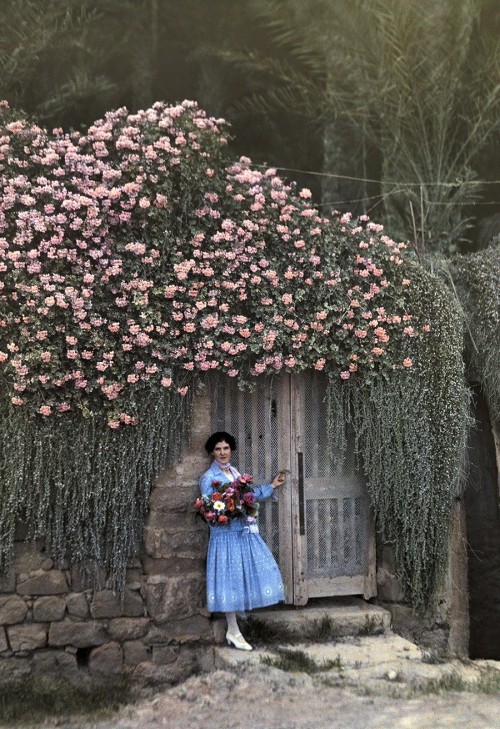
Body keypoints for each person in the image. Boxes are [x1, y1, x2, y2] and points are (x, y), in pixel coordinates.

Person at [199, 431, 286, 651]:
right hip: (225, 536)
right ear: (212, 452)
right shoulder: (209, 478)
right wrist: (231, 511)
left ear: (231, 450)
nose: (222, 453)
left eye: (226, 448)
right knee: (230, 579)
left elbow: (248, 496)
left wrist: (271, 486)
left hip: (242, 533)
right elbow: (211, 509)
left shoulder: (234, 473)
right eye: (218, 449)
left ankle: (239, 619)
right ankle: (233, 631)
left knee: (254, 571)